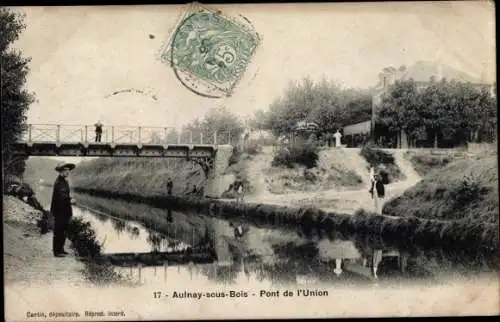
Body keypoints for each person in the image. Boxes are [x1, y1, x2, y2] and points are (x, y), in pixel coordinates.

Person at [51, 162, 76, 257]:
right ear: (61, 171)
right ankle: (56, 252)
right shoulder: (59, 182)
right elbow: (62, 196)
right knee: (58, 230)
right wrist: (71, 200)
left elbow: (65, 195)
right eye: (66, 170)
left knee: (64, 230)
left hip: (65, 210)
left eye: (69, 170)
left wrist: (69, 199)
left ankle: (61, 249)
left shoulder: (64, 181)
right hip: (59, 211)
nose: (68, 172)